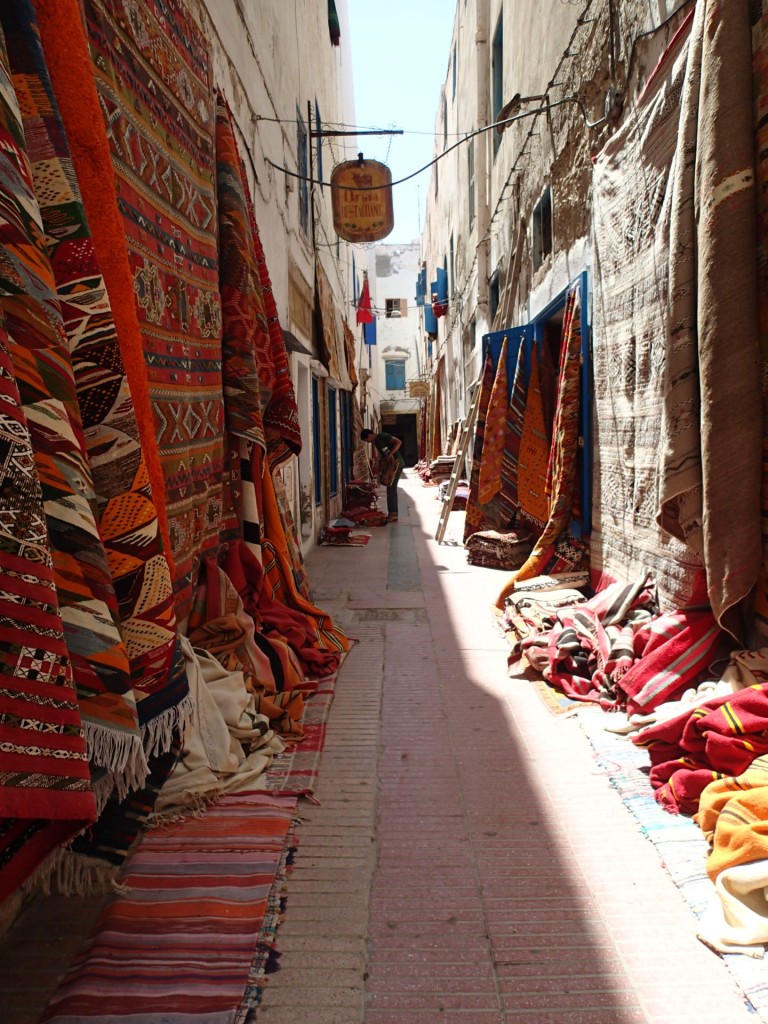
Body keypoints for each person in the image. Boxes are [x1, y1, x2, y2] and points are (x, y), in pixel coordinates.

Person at [360, 428, 405, 522]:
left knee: (391, 488)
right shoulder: (376, 442)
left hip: (396, 463)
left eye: (367, 440)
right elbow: (384, 454)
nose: (368, 442)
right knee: (389, 487)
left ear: (369, 435)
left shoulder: (382, 436)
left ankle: (393, 514)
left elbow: (398, 442)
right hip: (391, 465)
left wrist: (390, 454)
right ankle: (393, 513)